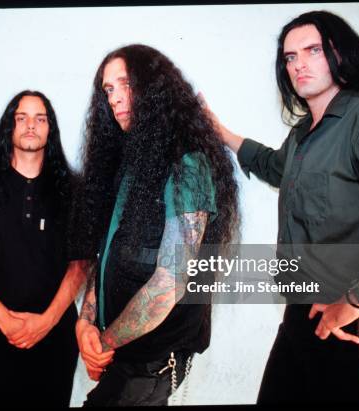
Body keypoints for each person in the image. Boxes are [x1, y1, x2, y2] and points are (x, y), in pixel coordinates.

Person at [202, 10, 359, 403]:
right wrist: (220, 133)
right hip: (302, 313)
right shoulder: (304, 132)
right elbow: (276, 167)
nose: (298, 64)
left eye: (312, 50)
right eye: (289, 57)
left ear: (341, 54)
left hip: (358, 319)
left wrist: (354, 300)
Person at [71, 44, 239, 406]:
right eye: (108, 89)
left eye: (125, 84)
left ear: (155, 87)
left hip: (149, 364)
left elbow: (170, 282)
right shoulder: (129, 160)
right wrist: (85, 321)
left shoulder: (188, 164)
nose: (115, 98)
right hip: (121, 353)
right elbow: (107, 250)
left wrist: (104, 342)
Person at [0, 90, 83, 409]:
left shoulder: (73, 190)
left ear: (51, 129)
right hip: (2, 335)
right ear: (9, 126)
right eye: (21, 118)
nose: (30, 126)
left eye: (40, 119)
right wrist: (4, 320)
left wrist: (46, 322)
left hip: (58, 336)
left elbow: (81, 264)